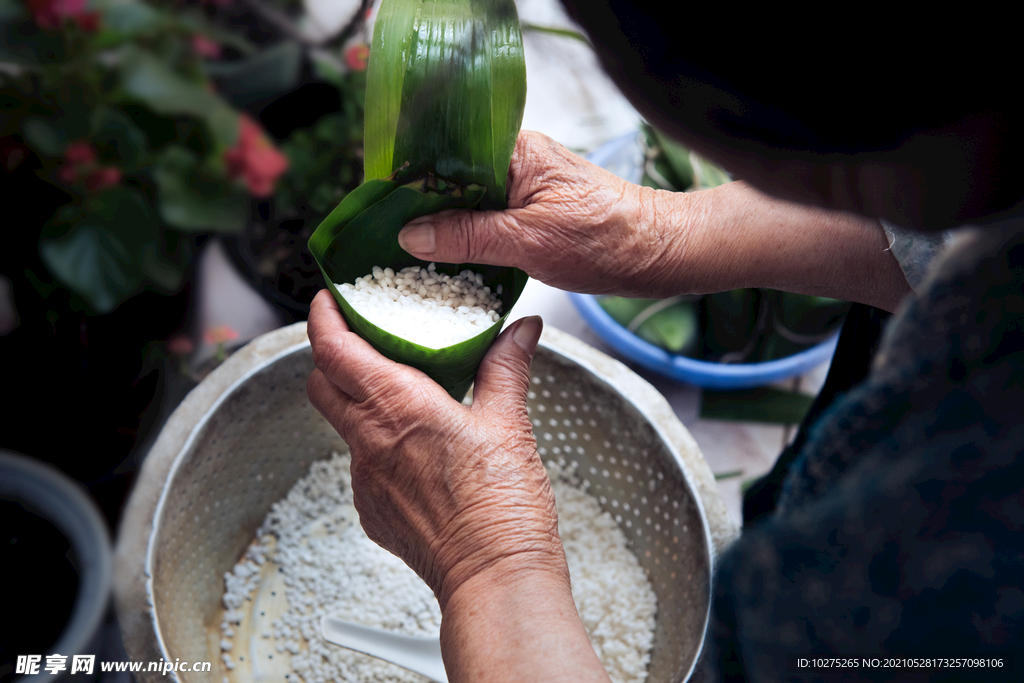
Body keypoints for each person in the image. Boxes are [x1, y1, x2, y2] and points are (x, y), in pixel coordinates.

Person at [306, 3, 1023, 681]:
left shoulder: (943, 566)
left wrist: (487, 563)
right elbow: (948, 201)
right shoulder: (980, 155)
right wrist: (658, 235)